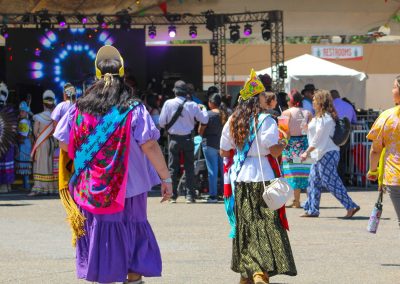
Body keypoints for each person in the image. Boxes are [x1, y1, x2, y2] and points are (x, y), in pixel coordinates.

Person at [53, 45, 172, 284]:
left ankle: (105, 276)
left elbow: (65, 144)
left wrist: (95, 155)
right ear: (123, 75)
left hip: (92, 189)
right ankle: (134, 280)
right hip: (130, 187)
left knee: (103, 234)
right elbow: (149, 145)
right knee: (133, 230)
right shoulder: (134, 108)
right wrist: (165, 178)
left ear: (96, 76)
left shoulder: (79, 108)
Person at [220, 69, 297, 284]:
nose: (267, 99)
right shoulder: (267, 121)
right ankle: (258, 273)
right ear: (257, 99)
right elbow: (273, 150)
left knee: (247, 226)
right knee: (266, 226)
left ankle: (248, 274)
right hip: (264, 177)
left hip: (241, 179)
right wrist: (284, 141)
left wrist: (242, 149)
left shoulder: (234, 120)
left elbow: (224, 151)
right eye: (264, 96)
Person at [300, 90, 360, 218]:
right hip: (319, 154)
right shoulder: (319, 118)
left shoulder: (326, 118)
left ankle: (351, 206)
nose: (313, 102)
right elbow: (314, 135)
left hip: (327, 153)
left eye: (315, 100)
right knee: (313, 181)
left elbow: (318, 138)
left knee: (330, 181)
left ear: (321, 102)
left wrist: (306, 152)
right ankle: (312, 209)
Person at [159, 80, 208, 203]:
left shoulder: (168, 103)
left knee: (172, 168)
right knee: (189, 167)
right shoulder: (192, 105)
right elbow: (204, 120)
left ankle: (173, 196)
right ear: (185, 92)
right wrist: (204, 109)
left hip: (173, 139)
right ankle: (190, 196)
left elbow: (161, 123)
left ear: (175, 92)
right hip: (188, 138)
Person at [366, 75, 400, 227]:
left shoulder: (387, 116)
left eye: (394, 87)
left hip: (396, 176)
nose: (392, 90)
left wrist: (373, 170)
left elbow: (375, 150)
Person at [281, 89, 312, 208]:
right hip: (304, 144)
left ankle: (296, 201)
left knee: (293, 173)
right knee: (305, 173)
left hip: (291, 145)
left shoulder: (286, 113)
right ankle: (310, 201)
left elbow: (283, 132)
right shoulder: (308, 113)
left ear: (290, 101)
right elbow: (311, 130)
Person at [198, 93, 228, 203]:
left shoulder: (207, 114)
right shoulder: (226, 114)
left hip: (209, 144)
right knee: (224, 170)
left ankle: (213, 195)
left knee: (212, 171)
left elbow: (200, 131)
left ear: (210, 103)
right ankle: (225, 193)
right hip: (222, 145)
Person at [29, 90, 58, 196]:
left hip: (42, 143)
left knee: (41, 164)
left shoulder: (38, 117)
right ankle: (51, 188)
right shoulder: (55, 117)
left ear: (43, 103)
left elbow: (36, 134)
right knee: (51, 165)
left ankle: (40, 188)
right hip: (53, 143)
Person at [330, 89, 357, 184]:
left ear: (331, 97)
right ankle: (341, 180)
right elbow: (354, 120)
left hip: (333, 135)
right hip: (346, 135)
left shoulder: (330, 106)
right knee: (342, 158)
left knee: (332, 158)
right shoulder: (349, 105)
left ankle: (333, 180)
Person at [0, 82, 16, 193]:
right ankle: (7, 185)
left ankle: (5, 186)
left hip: (6, 142)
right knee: (6, 162)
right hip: (8, 142)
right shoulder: (10, 110)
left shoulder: (9, 110)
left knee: (4, 163)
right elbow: (14, 128)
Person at [15, 101, 33, 190]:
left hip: (24, 145)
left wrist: (15, 136)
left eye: (22, 111)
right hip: (26, 145)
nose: (20, 113)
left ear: (26, 112)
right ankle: (25, 184)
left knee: (24, 166)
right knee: (24, 166)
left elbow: (22, 136)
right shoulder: (26, 121)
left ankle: (26, 185)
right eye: (20, 111)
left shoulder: (23, 122)